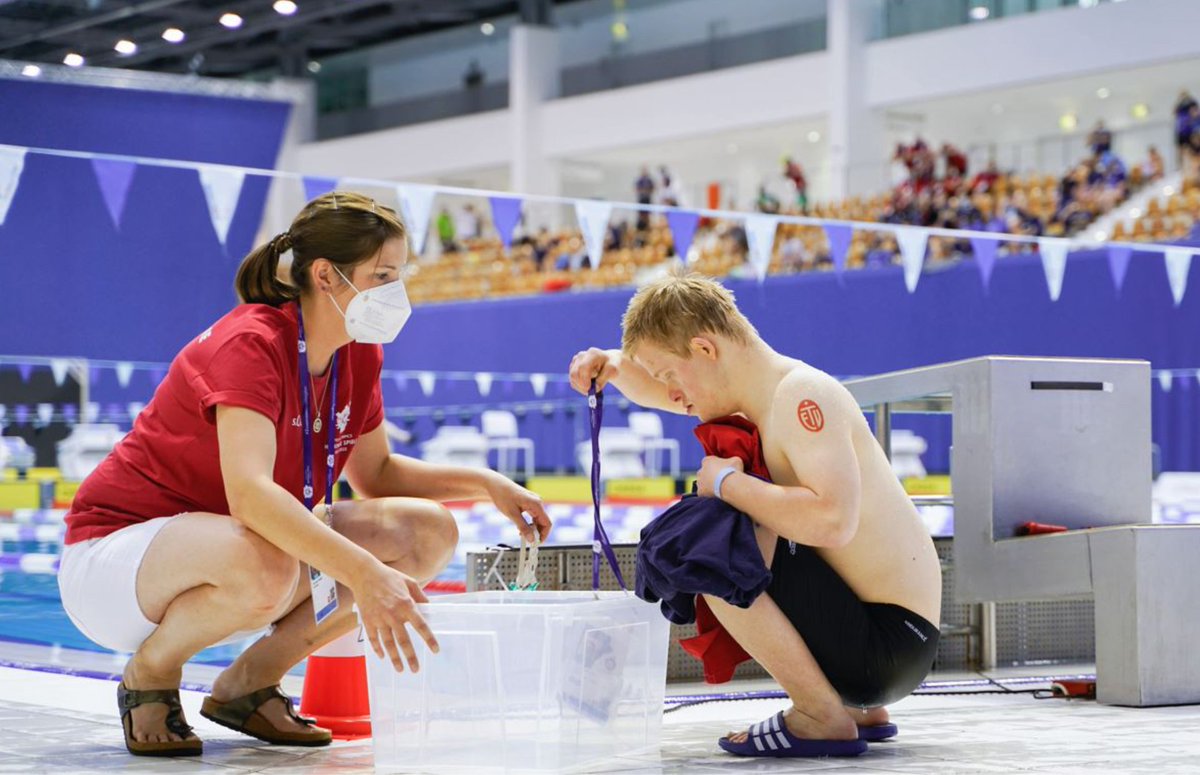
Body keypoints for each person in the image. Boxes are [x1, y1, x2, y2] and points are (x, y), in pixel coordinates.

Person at [59, 191, 550, 757]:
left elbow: (378, 474)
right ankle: (151, 672)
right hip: (118, 564)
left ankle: (248, 685)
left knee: (427, 532)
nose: (398, 293)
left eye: (400, 275)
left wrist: (486, 484)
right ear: (326, 276)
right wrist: (364, 574)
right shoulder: (251, 343)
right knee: (265, 557)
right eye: (383, 275)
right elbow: (250, 497)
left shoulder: (357, 353)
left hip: (234, 560)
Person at [567, 271, 941, 758]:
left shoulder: (801, 396)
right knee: (724, 530)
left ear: (705, 350)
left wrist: (726, 482)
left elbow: (832, 520)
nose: (674, 396)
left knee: (699, 549)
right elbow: (662, 392)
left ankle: (819, 714)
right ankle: (854, 708)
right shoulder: (756, 401)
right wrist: (615, 365)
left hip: (887, 645)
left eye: (670, 375)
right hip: (884, 652)